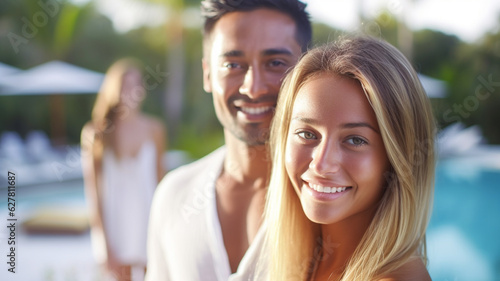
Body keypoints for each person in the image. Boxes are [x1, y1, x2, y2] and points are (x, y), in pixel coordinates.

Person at [146, 0, 312, 280]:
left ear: (306, 72)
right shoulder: (174, 195)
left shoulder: (328, 197)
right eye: (233, 64)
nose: (253, 87)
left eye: (275, 63)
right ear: (208, 74)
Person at [260, 36, 435, 281]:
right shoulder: (296, 258)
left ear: (398, 157)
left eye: (355, 140)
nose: (321, 164)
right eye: (307, 134)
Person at [81, 58, 166, 281]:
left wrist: (165, 230)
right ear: (113, 89)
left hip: (148, 222)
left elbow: (162, 182)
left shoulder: (155, 129)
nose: (132, 90)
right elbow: (93, 193)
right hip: (115, 227)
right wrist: (104, 242)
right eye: (125, 85)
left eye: (136, 84)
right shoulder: (96, 134)